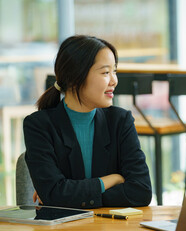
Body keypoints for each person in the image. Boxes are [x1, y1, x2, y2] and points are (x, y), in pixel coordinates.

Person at [23, 35, 152, 208]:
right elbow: (54, 193)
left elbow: (141, 191)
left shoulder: (121, 121)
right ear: (75, 77)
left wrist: (70, 196)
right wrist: (113, 180)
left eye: (115, 71)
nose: (114, 80)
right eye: (106, 72)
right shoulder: (38, 126)